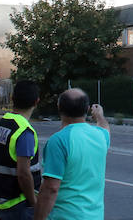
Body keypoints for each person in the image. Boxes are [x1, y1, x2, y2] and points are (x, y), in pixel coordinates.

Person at [34, 89, 109, 220]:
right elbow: (105, 129)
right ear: (87, 109)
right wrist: (100, 116)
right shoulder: (100, 136)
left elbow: (51, 188)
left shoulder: (58, 141)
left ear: (59, 107)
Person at [0, 80, 42, 219]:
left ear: (12, 99)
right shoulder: (24, 131)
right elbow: (24, 174)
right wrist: (34, 202)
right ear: (36, 101)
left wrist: (0, 175)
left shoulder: (1, 123)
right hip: (18, 203)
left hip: (0, 200)